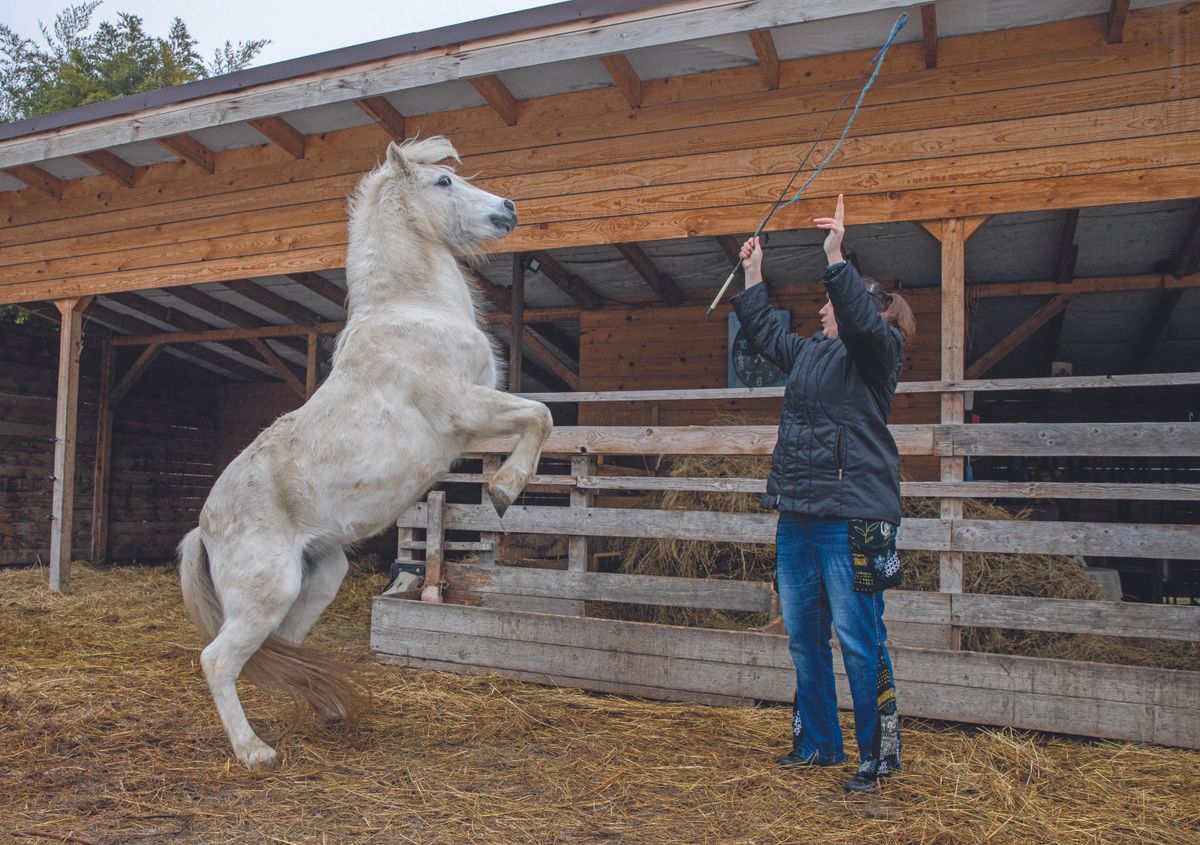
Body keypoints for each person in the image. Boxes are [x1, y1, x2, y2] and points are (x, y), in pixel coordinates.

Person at [730, 194, 915, 793]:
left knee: (861, 639)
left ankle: (877, 754)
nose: (823, 309)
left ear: (866, 308)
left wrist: (836, 257)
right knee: (803, 637)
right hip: (800, 516)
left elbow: (859, 322)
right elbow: (763, 335)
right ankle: (816, 744)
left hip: (855, 517)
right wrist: (754, 273)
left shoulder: (879, 352)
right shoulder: (811, 353)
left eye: (832, 301)